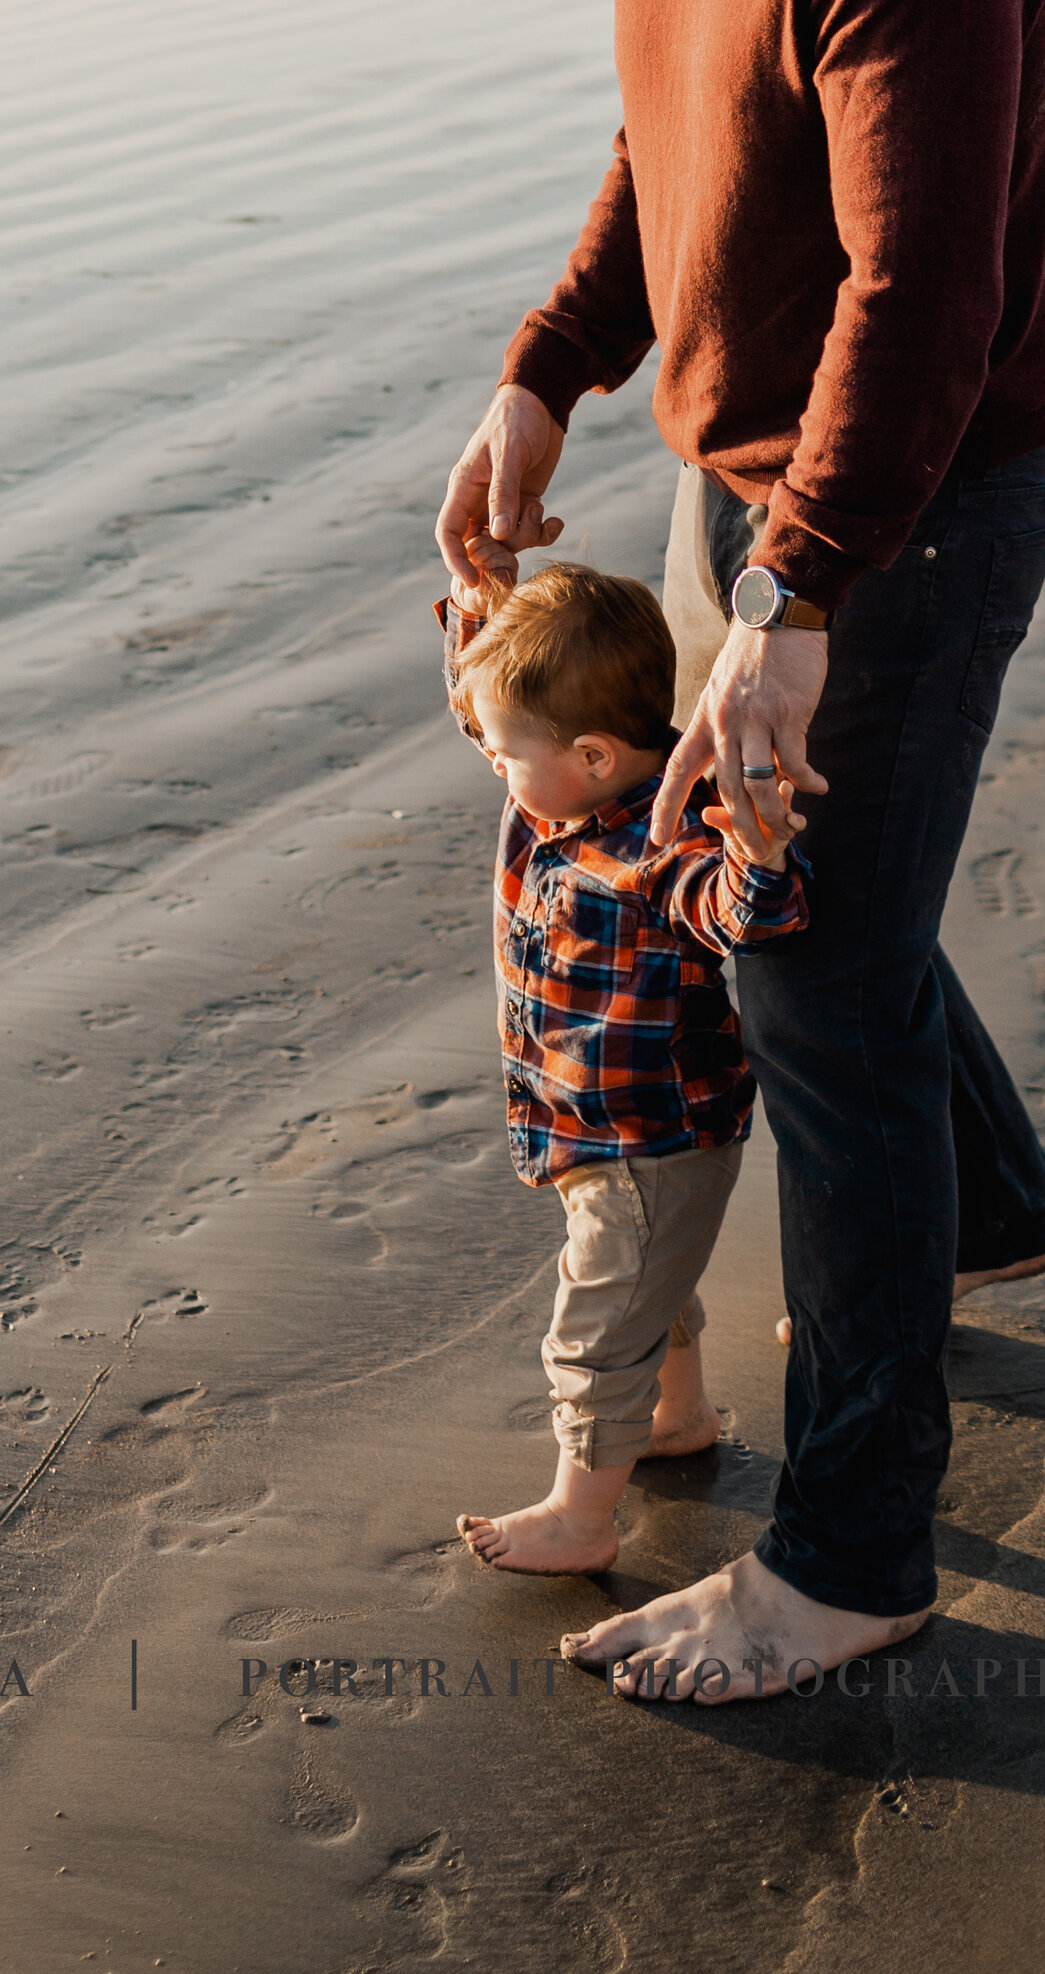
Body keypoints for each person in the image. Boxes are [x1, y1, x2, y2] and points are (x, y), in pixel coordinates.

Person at [400, 0, 1045, 1705]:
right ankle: (985, 1219)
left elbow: (923, 292)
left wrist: (791, 596)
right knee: (828, 905)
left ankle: (852, 1548)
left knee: (791, 963)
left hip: (902, 506)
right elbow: (659, 145)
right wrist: (543, 374)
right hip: (737, 482)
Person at [444, 566, 806, 1578]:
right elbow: (491, 702)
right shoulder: (552, 790)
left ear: (592, 754)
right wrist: (477, 599)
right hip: (588, 1123)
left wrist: (761, 852)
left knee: (596, 1329)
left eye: (504, 751)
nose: (489, 761)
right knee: (651, 1290)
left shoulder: (659, 843)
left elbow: (746, 916)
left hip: (652, 1138)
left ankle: (579, 1517)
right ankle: (676, 1417)